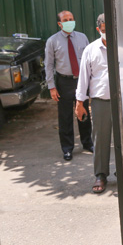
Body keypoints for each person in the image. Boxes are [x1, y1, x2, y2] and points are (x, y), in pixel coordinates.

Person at [44, 10, 93, 161]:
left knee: (83, 112)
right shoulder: (53, 41)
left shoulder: (82, 37)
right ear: (60, 24)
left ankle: (87, 143)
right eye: (66, 19)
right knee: (65, 117)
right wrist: (52, 86)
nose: (69, 21)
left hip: (81, 81)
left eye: (71, 18)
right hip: (63, 82)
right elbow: (49, 64)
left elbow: (90, 59)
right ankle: (67, 148)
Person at [75, 14, 112, 194]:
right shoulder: (90, 50)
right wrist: (80, 102)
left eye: (110, 30)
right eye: (104, 31)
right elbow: (83, 78)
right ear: (99, 30)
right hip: (100, 102)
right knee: (100, 139)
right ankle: (100, 174)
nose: (107, 33)